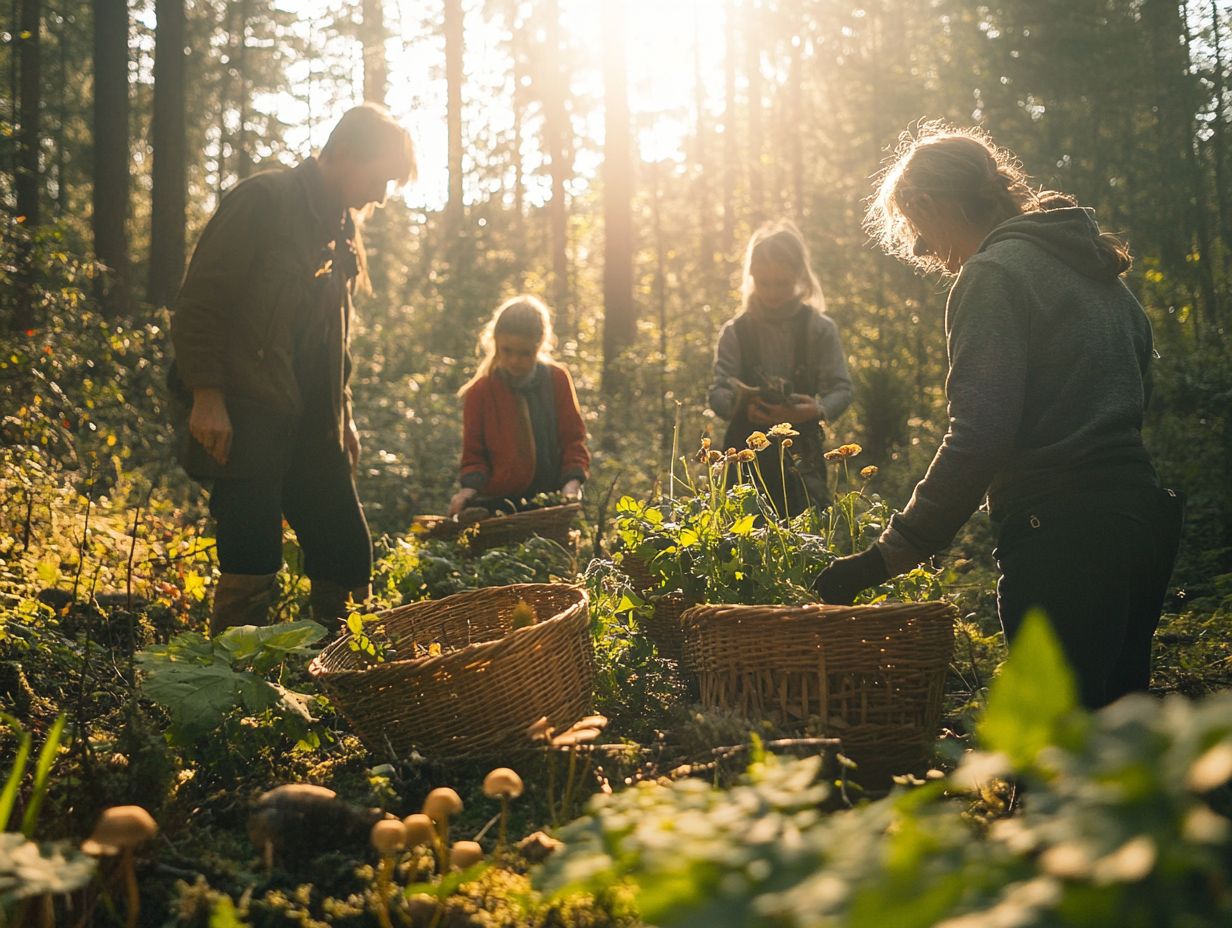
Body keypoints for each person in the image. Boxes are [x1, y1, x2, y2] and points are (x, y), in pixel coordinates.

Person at [813, 123, 1183, 710]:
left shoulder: (993, 274)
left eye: (915, 228)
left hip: (1061, 536)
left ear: (930, 205)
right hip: (1140, 523)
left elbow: (980, 436)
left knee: (1054, 749)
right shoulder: (1102, 276)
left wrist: (891, 553)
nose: (920, 249)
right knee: (1116, 751)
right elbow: (1137, 393)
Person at [170, 103, 416, 635]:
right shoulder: (263, 200)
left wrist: (343, 412)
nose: (382, 195)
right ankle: (234, 689)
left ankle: (339, 681)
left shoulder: (342, 227)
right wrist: (207, 395)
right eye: (380, 177)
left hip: (313, 420)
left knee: (347, 553)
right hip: (248, 408)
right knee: (251, 555)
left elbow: (334, 338)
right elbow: (200, 303)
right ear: (346, 154)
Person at [708, 220, 853, 516]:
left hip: (802, 455)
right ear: (751, 277)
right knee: (743, 537)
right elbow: (719, 389)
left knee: (804, 535)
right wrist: (738, 406)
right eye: (764, 282)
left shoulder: (819, 329)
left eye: (782, 283)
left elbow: (842, 389)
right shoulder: (736, 331)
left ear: (799, 278)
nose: (772, 292)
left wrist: (813, 410)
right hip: (744, 455)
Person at [448, 296, 590, 517]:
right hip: (497, 503)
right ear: (495, 343)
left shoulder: (556, 379)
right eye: (507, 351)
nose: (514, 360)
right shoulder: (480, 391)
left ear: (540, 345)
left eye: (525, 353)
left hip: (549, 500)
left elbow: (572, 438)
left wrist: (572, 483)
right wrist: (468, 489)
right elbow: (474, 454)